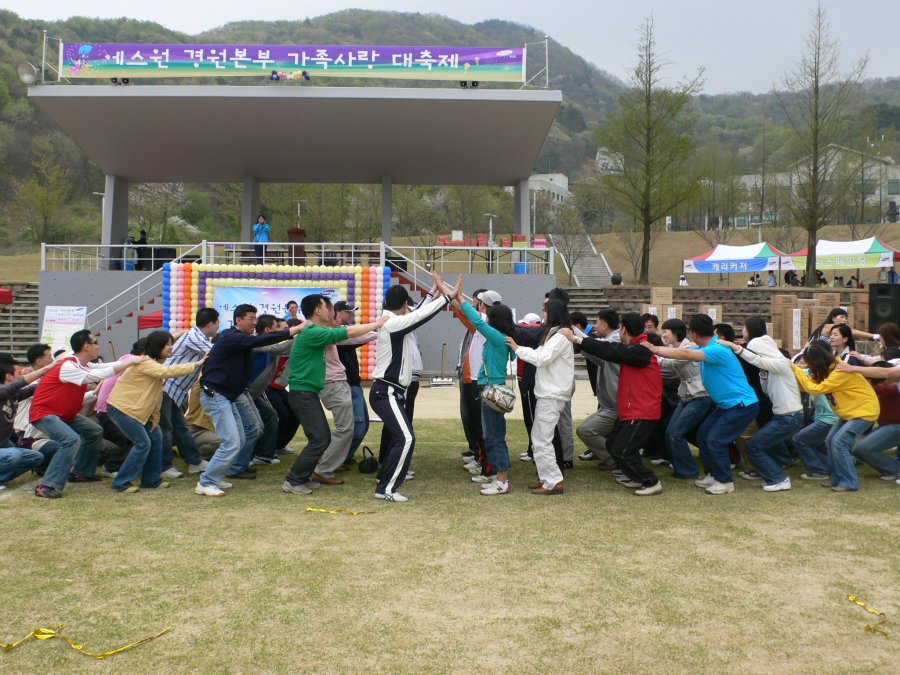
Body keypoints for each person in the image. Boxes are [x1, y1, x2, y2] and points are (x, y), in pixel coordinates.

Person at [195, 304, 303, 497]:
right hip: (216, 395)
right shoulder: (231, 337)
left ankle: (218, 476)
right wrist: (293, 330)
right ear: (238, 320)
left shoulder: (241, 339)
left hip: (228, 395)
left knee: (242, 437)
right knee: (231, 441)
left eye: (255, 318)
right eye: (251, 318)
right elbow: (265, 339)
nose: (255, 322)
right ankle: (206, 481)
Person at [282, 295, 385, 496]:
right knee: (320, 438)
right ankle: (294, 480)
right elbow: (349, 332)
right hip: (302, 392)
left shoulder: (313, 330)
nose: (331, 312)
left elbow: (349, 335)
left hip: (307, 392)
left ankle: (302, 477)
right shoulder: (312, 331)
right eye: (326, 307)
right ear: (318, 311)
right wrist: (379, 323)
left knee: (321, 437)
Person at [644, 315, 759, 495]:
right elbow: (685, 352)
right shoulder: (708, 346)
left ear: (694, 333)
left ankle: (725, 481)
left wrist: (654, 348)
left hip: (741, 404)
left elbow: (686, 354)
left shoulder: (717, 349)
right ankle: (713, 474)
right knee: (704, 434)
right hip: (726, 405)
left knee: (715, 439)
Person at [30, 330, 147, 499]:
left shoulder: (82, 364)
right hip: (44, 413)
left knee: (94, 431)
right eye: (96, 342)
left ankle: (82, 472)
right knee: (70, 440)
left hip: (63, 414)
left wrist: (131, 361)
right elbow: (97, 374)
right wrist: (131, 362)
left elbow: (103, 367)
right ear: (86, 346)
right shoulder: (68, 365)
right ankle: (46, 485)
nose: (98, 346)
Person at [561, 312, 664, 495]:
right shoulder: (632, 348)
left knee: (622, 450)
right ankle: (635, 477)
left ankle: (651, 481)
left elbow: (609, 350)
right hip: (630, 410)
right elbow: (607, 350)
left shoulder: (640, 350)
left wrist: (576, 338)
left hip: (642, 411)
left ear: (624, 329)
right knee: (613, 445)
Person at [369, 276, 450, 502]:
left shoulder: (393, 319)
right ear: (404, 305)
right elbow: (420, 315)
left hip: (390, 391)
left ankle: (384, 482)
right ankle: (386, 489)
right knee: (406, 438)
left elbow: (417, 312)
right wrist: (446, 297)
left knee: (401, 438)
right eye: (408, 305)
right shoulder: (393, 323)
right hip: (386, 391)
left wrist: (433, 292)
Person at [445, 276, 517, 496]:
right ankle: (497, 476)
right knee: (493, 435)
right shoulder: (502, 337)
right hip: (493, 390)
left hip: (491, 391)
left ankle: (502, 479)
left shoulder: (496, 336)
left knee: (494, 436)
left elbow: (476, 321)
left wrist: (459, 296)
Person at [106, 331, 203, 493]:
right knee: (143, 443)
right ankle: (121, 482)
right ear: (157, 347)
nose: (171, 347)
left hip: (136, 412)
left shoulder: (155, 365)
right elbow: (167, 372)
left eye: (171, 344)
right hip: (121, 409)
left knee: (156, 436)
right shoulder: (146, 363)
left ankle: (151, 480)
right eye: (167, 345)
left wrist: (155, 419)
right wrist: (196, 364)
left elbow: (157, 396)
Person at [717, 317, 803, 493]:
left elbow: (758, 361)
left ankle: (779, 478)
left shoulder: (779, 364)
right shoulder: (772, 369)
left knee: (754, 447)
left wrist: (737, 348)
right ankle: (777, 474)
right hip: (784, 417)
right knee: (757, 446)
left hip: (789, 417)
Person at [505, 299, 574, 496]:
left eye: (544, 311)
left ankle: (553, 480)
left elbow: (541, 358)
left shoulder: (560, 336)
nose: (542, 314)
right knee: (539, 437)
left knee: (542, 439)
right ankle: (547, 477)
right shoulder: (554, 334)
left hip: (552, 394)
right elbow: (540, 354)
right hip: (548, 392)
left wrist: (517, 348)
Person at [792, 344, 879, 491]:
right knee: (830, 440)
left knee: (839, 442)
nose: (808, 366)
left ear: (817, 361)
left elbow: (815, 389)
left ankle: (849, 482)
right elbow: (812, 383)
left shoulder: (840, 371)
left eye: (809, 363)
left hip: (864, 411)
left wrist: (795, 369)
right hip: (849, 412)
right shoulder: (830, 369)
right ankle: (837, 478)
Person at [159, 307, 220, 479]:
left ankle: (194, 462)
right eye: (218, 323)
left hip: (173, 391)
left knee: (180, 428)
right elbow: (215, 353)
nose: (218, 327)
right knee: (166, 429)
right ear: (211, 323)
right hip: (166, 388)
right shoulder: (195, 337)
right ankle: (164, 466)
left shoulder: (194, 335)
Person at [655, 318, 709, 479]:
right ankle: (681, 466)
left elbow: (669, 362)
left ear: (676, 333)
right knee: (670, 429)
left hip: (699, 395)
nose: (663, 334)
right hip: (687, 395)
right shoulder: (674, 348)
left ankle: (688, 470)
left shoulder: (687, 348)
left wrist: (652, 351)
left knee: (675, 432)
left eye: (666, 331)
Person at [0, 352, 58, 490]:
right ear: (9, 376)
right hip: (5, 450)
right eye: (19, 372)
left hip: (3, 446)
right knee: (13, 455)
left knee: (36, 457)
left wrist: (54, 376)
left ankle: (2, 478)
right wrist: (44, 369)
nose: (23, 375)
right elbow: (21, 383)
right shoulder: (2, 391)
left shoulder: (13, 395)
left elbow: (33, 388)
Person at [574, 309, 620, 469]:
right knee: (584, 429)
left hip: (615, 407)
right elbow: (595, 353)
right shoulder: (608, 343)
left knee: (585, 430)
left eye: (597, 323)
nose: (595, 327)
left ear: (605, 325)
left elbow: (596, 347)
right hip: (609, 405)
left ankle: (614, 458)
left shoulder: (613, 342)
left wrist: (573, 332)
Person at [334, 301, 370, 466]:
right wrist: (379, 328)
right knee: (356, 427)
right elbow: (358, 339)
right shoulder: (336, 333)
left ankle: (343, 458)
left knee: (362, 424)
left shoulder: (344, 332)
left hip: (353, 384)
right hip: (346, 385)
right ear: (338, 313)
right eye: (348, 312)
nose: (351, 315)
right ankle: (337, 459)